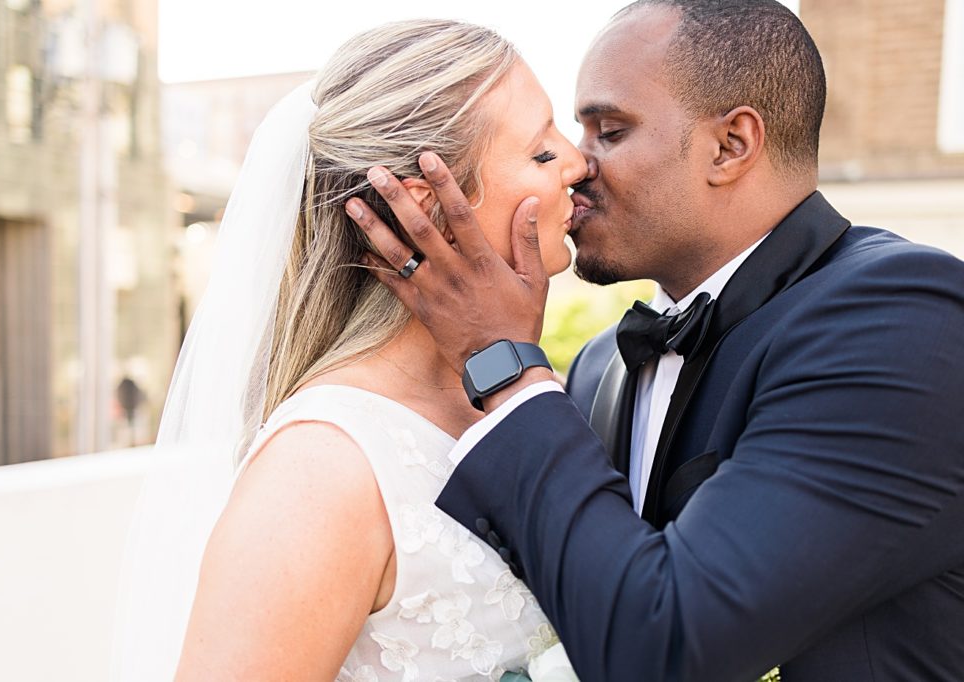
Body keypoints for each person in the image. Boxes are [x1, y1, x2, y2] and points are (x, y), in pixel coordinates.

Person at [344, 1, 964, 680]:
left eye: (609, 130)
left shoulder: (904, 319)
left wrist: (504, 360)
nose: (576, 166)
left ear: (730, 146)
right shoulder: (596, 367)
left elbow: (669, 647)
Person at [112, 19, 589, 681]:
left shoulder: (531, 395)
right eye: (541, 152)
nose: (578, 162)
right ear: (430, 207)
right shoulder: (322, 468)